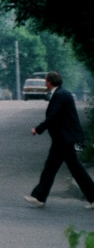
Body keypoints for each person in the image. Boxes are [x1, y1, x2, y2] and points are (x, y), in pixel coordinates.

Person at [24, 71, 94, 209]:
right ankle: (39, 197)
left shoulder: (60, 95)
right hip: (63, 138)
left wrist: (38, 129)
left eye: (45, 80)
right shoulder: (62, 93)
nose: (45, 82)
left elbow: (53, 116)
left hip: (64, 139)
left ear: (50, 81)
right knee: (57, 168)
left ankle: (39, 197)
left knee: (65, 169)